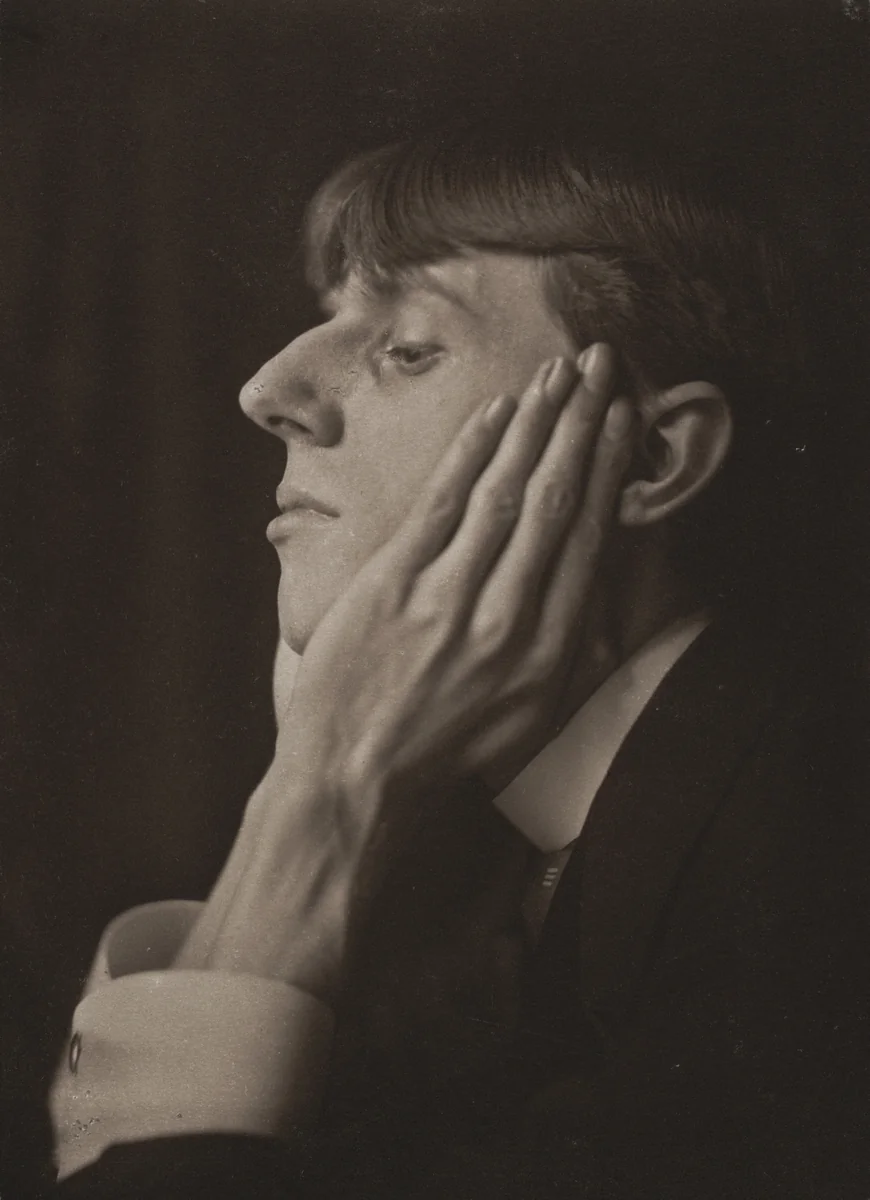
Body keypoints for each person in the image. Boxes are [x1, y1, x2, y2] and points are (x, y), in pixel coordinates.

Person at [49, 116, 870, 1198]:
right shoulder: (481, 877)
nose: (267, 391)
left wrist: (324, 794)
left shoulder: (813, 879)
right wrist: (307, 785)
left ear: (653, 455)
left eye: (407, 349)